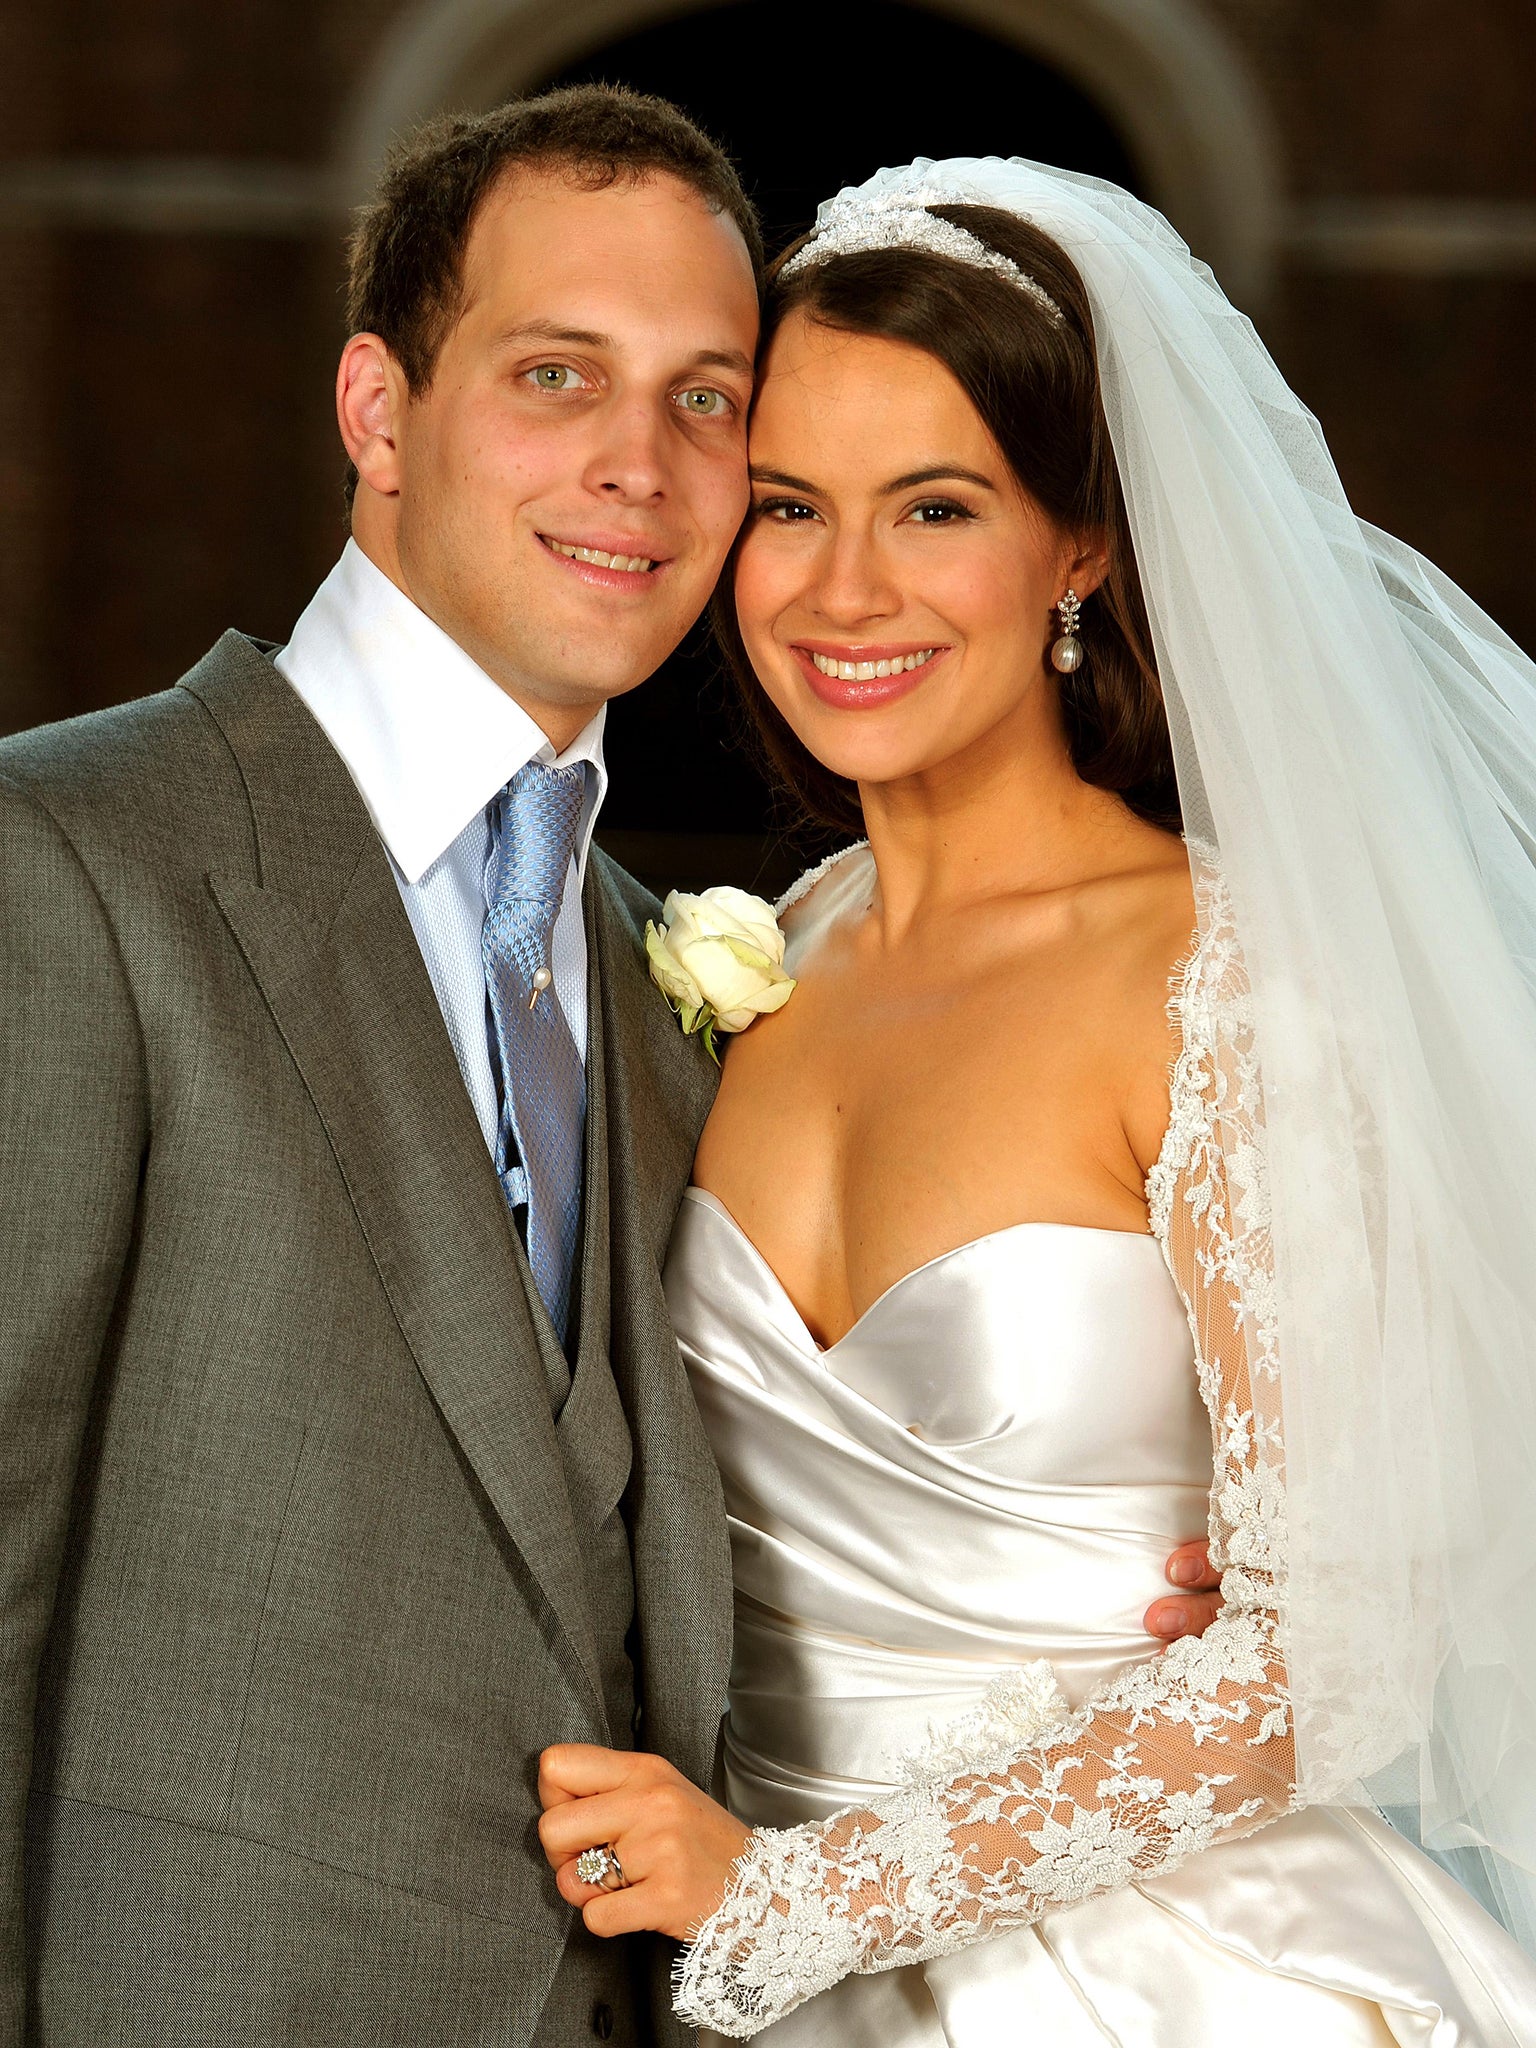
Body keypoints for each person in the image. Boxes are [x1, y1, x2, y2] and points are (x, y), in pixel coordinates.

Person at [0, 101, 1219, 2043]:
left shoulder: (664, 964)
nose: (638, 471)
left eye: (706, 402)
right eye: (556, 375)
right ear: (379, 412)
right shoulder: (65, 861)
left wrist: (1252, 1591)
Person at [535, 161, 1536, 2041]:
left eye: (936, 508)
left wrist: (798, 1895)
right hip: (725, 1954)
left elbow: (1351, 1647)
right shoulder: (759, 961)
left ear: (1080, 542)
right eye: (785, 509)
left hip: (1172, 1976)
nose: (844, 590)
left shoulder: (1233, 984)